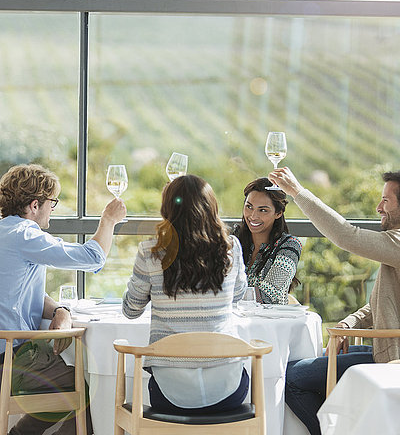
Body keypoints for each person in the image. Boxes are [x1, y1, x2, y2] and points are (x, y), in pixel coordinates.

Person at [268, 166, 400, 435]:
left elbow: (345, 235)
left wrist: (297, 191)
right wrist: (349, 325)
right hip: (398, 349)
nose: (378, 207)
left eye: (385, 200)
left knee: (292, 379)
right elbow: (381, 303)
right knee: (303, 366)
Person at [0, 163, 126, 435]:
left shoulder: (4, 232)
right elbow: (92, 258)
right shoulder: (26, 234)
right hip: (11, 361)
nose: (52, 211)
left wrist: (60, 309)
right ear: (35, 205)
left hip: (8, 354)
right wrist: (108, 220)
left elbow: (17, 294)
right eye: (51, 203)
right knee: (88, 393)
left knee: (68, 388)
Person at [122, 174, 248, 413]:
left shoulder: (150, 252)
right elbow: (238, 294)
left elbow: (130, 310)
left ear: (168, 209)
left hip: (169, 392)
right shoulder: (232, 249)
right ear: (211, 209)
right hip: (228, 390)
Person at [232, 177, 302, 304]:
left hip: (272, 322)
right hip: (234, 321)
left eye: (263, 210)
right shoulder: (233, 240)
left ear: (278, 213)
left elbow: (268, 296)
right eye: (249, 207)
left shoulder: (289, 246)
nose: (253, 216)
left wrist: (223, 294)